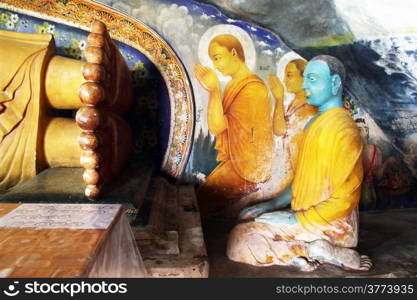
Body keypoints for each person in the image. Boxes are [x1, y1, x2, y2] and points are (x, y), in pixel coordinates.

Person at [227, 55, 372, 272]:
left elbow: (344, 201)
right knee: (245, 224)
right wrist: (273, 204)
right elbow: (302, 180)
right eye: (305, 78)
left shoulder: (344, 131)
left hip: (332, 225)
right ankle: (312, 250)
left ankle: (317, 250)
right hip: (309, 220)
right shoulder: (315, 123)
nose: (304, 85)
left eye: (312, 79)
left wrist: (295, 219)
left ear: (334, 84)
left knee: (239, 240)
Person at [195, 34, 274, 216]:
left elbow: (218, 127)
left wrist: (214, 90)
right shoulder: (235, 85)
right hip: (237, 162)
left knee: (200, 202)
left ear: (233, 52)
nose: (216, 65)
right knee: (199, 202)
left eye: (217, 58)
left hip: (248, 167)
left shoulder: (252, 89)